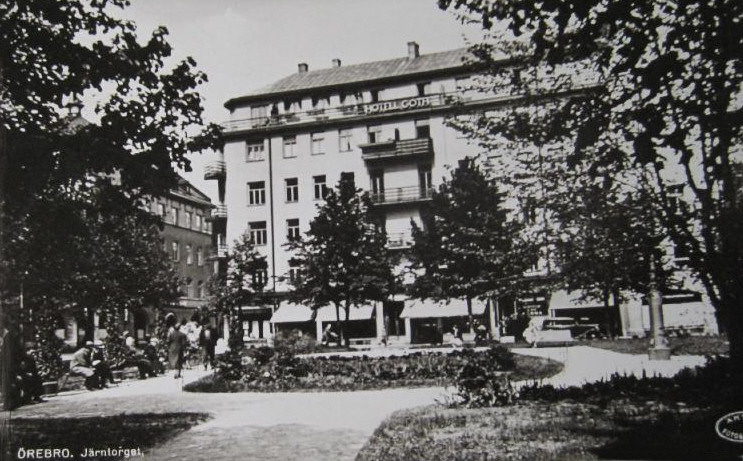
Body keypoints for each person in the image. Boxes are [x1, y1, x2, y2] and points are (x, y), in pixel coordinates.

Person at [165, 314, 187, 379]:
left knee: (173, 360)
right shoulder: (182, 334)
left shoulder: (171, 334)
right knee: (179, 361)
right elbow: (184, 343)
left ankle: (175, 372)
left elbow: (168, 341)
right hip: (179, 348)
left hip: (172, 348)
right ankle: (178, 373)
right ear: (179, 328)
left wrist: (169, 347)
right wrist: (184, 348)